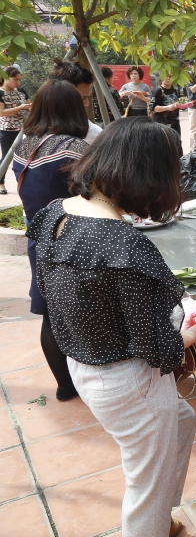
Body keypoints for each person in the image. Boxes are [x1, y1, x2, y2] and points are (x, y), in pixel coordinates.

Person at [26, 117, 196, 537]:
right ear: (147, 176)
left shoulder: (57, 213)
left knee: (181, 422)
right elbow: (157, 348)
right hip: (127, 381)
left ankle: (160, 518)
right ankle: (151, 525)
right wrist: (192, 334)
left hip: (85, 366)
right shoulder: (122, 244)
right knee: (146, 486)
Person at [11, 80, 89, 400]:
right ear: (72, 108)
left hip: (39, 240)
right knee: (87, 312)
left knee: (51, 315)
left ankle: (64, 385)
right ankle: (93, 380)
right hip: (76, 240)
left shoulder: (23, 145)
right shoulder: (74, 147)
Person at [47, 60, 103, 144]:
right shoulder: (33, 133)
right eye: (83, 98)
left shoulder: (93, 133)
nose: (87, 103)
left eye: (88, 97)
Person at [0, 65, 30, 195]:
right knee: (7, 157)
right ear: (5, 78)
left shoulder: (22, 91)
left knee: (27, 157)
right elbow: (1, 113)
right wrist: (20, 107)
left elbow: (29, 106)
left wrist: (30, 107)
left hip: (24, 129)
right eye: (15, 79)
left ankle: (26, 183)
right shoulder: (1, 93)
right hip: (7, 130)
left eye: (19, 79)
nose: (18, 82)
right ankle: (1, 184)